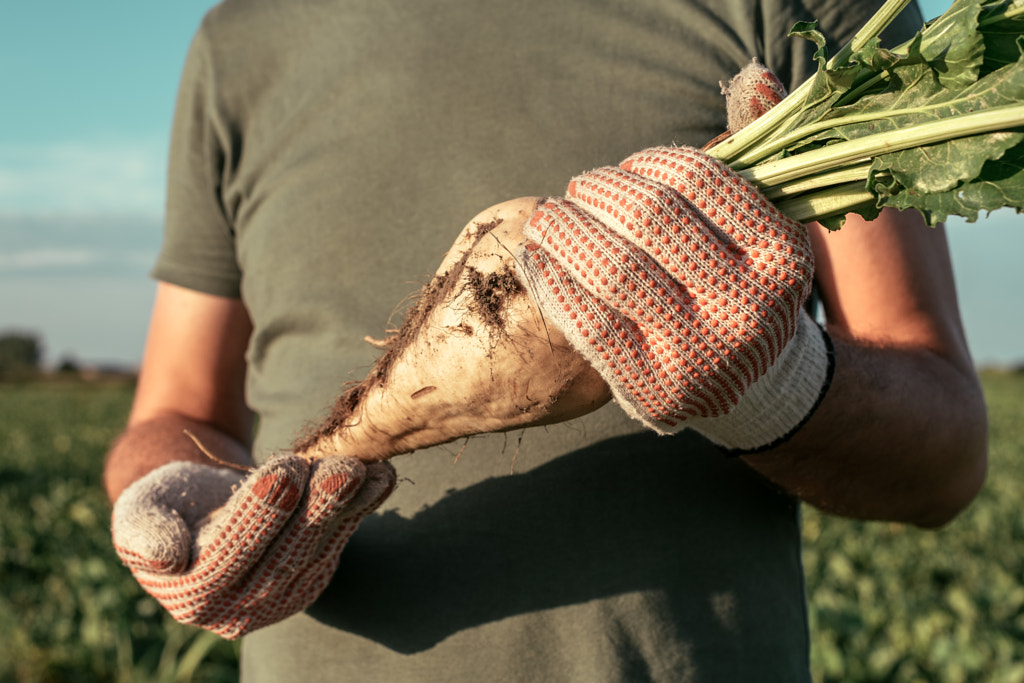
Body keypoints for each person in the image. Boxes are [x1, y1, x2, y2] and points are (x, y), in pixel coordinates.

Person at [104, 0, 988, 679]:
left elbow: (945, 456)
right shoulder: (242, 39)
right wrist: (168, 492)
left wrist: (774, 382)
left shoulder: (798, 8)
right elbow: (177, 405)